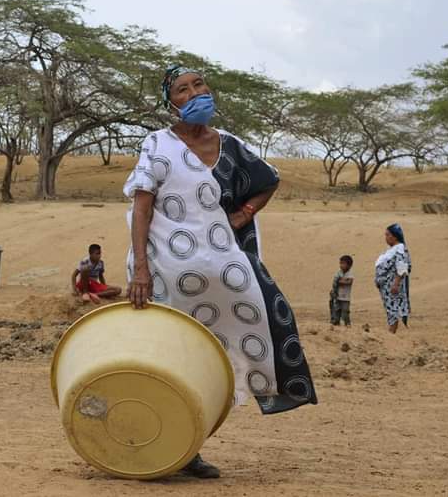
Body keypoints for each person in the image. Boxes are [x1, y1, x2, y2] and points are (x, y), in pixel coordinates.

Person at [124, 65, 317, 479]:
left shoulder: (231, 146)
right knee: (171, 360)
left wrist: (246, 212)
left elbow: (269, 180)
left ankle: (190, 444)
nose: (194, 92)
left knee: (236, 349)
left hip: (224, 276)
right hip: (164, 275)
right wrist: (140, 270)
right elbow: (142, 207)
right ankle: (155, 444)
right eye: (182, 89)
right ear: (170, 102)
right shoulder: (157, 144)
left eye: (199, 85)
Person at [374, 224, 412, 334]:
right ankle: (391, 330)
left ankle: (392, 332)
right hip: (387, 286)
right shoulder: (392, 249)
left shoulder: (400, 249)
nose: (385, 237)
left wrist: (395, 283)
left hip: (392, 286)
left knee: (393, 309)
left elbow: (402, 267)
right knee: (390, 308)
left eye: (387, 235)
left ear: (394, 237)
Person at [329, 255, 354, 327]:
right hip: (338, 296)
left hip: (346, 297)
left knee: (345, 311)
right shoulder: (339, 273)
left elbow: (349, 281)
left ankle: (347, 323)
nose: (341, 265)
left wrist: (340, 281)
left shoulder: (350, 273)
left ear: (349, 265)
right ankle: (336, 322)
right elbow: (335, 282)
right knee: (337, 310)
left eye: (343, 263)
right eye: (340, 263)